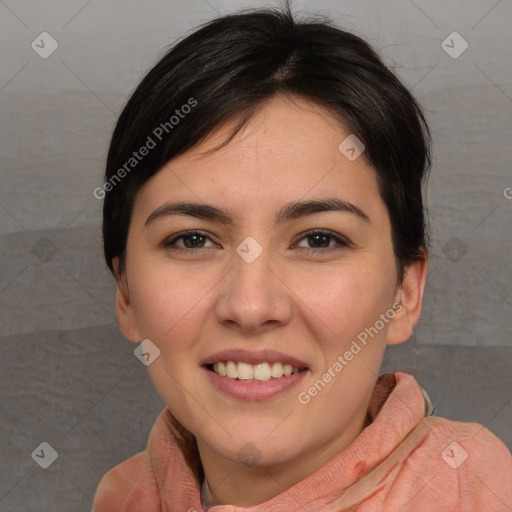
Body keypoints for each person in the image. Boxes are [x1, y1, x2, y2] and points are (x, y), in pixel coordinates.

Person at [92, 3, 512, 511]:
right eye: (193, 240)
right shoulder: (122, 497)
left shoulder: (482, 493)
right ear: (126, 292)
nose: (250, 306)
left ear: (405, 291)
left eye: (318, 240)